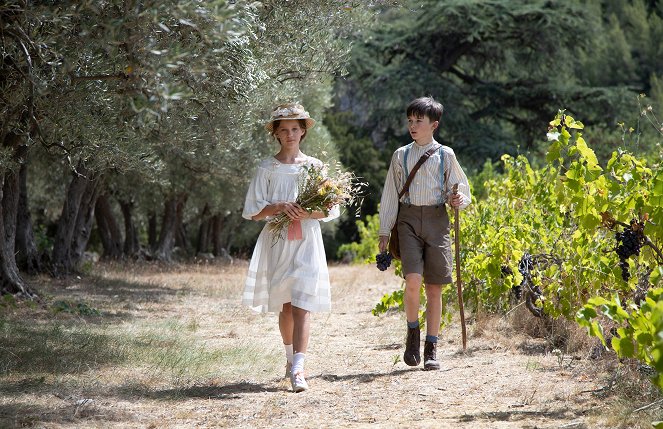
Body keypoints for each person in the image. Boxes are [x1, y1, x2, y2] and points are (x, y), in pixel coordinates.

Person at [241, 103, 339, 392]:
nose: (290, 134)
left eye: (295, 128)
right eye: (283, 129)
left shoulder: (315, 167)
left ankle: (299, 369)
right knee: (285, 306)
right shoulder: (266, 168)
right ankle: (288, 358)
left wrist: (306, 212)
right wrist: (278, 207)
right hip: (277, 240)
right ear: (275, 134)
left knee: (302, 304)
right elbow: (252, 211)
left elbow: (330, 210)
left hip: (306, 240)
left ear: (303, 131)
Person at [378, 96, 471, 370]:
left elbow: (461, 189)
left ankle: (431, 348)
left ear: (434, 125)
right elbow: (390, 195)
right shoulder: (400, 155)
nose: (413, 125)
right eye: (410, 120)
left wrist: (459, 200)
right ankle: (412, 334)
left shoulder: (446, 155)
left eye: (419, 121)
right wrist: (385, 230)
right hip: (406, 220)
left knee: (434, 287)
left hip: (437, 220)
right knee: (413, 280)